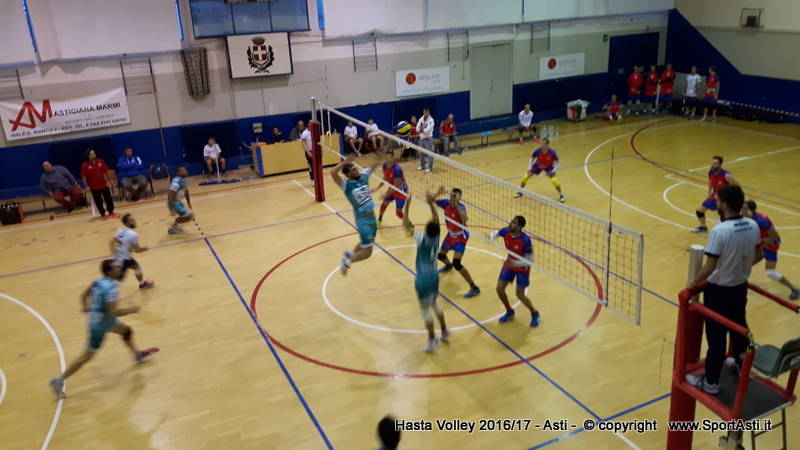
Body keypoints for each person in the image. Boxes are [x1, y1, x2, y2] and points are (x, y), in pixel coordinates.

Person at [685, 185, 761, 394]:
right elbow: (759, 255)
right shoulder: (752, 225)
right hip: (740, 287)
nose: (716, 204)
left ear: (725, 204)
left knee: (716, 337)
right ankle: (738, 363)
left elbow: (709, 266)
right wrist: (739, 268)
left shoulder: (720, 231)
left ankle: (710, 382)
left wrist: (692, 284)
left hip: (719, 291)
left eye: (718, 201)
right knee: (738, 325)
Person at [48, 259, 159, 399]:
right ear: (110, 272)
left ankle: (136, 354)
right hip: (100, 326)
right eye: (116, 267)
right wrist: (132, 309)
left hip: (103, 320)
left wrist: (86, 307)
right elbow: (114, 312)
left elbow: (83, 296)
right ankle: (58, 380)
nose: (120, 268)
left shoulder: (98, 281)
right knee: (87, 356)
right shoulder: (111, 289)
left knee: (127, 331)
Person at [402, 187, 450, 353]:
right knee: (435, 304)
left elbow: (405, 223)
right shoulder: (437, 237)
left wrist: (407, 205)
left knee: (425, 311)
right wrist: (431, 204)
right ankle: (444, 331)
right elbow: (437, 221)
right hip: (434, 276)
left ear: (426, 230)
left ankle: (432, 340)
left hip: (423, 279)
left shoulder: (421, 238)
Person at [331, 152, 383, 275]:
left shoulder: (364, 176)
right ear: (348, 175)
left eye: (356, 168)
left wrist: (382, 153)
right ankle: (346, 262)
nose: (357, 170)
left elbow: (374, 165)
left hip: (372, 219)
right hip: (363, 222)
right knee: (367, 253)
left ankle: (352, 254)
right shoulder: (346, 185)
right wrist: (345, 162)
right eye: (354, 170)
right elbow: (333, 173)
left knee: (365, 242)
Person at [742, 200, 800, 300]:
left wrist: (764, 243)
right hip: (761, 244)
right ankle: (740, 281)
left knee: (770, 272)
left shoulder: (761, 221)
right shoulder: (750, 218)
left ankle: (795, 289)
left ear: (750, 210)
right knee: (747, 262)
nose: (741, 210)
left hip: (770, 245)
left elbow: (775, 236)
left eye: (744, 208)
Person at [489, 216, 540, 326]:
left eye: (514, 222)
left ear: (520, 227)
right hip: (510, 263)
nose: (510, 223)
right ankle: (509, 311)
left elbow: (529, 261)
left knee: (520, 295)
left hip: (522, 267)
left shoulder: (525, 240)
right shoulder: (506, 231)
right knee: (499, 289)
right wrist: (491, 237)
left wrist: (514, 264)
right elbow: (496, 233)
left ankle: (534, 313)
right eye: (511, 221)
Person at [435, 188, 481, 298]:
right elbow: (430, 200)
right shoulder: (446, 203)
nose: (452, 197)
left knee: (457, 263)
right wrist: (438, 193)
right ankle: (448, 266)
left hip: (461, 236)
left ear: (460, 198)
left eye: (455, 196)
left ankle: (474, 287)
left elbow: (465, 218)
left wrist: (456, 205)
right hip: (451, 235)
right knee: (440, 255)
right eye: (452, 195)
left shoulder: (461, 207)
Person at [693, 155, 737, 233]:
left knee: (724, 216)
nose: (713, 165)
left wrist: (730, 198)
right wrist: (709, 193)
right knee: (699, 211)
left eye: (715, 163)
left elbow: (736, 187)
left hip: (724, 198)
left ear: (720, 164)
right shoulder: (710, 172)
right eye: (713, 163)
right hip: (714, 197)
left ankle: (728, 231)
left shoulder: (726, 175)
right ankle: (703, 227)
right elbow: (710, 182)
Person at [111, 213, 155, 290]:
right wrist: (144, 249)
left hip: (117, 257)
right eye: (131, 220)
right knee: (118, 280)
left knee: (136, 267)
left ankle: (142, 284)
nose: (134, 221)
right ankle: (142, 285)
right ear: (126, 223)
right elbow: (137, 250)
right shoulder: (133, 234)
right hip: (125, 259)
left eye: (133, 219)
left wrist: (114, 252)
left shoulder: (120, 230)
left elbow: (113, 241)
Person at [514, 138, 565, 203]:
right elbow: (531, 158)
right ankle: (520, 191)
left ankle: (561, 195)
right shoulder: (538, 151)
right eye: (542, 143)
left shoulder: (552, 152)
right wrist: (529, 168)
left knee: (554, 181)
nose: (543, 145)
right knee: (525, 177)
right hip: (538, 165)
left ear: (548, 144)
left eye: (544, 144)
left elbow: (557, 162)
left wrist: (553, 171)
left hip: (548, 167)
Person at [80, 149, 117, 219]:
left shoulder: (100, 161)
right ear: (88, 156)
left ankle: (111, 212)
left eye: (94, 154)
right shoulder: (85, 165)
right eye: (91, 154)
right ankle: (102, 214)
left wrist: (110, 180)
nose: (93, 155)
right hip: (94, 187)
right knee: (98, 201)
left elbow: (106, 171)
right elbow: (83, 177)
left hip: (103, 185)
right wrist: (86, 186)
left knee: (108, 199)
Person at [376, 152, 408, 229]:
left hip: (401, 190)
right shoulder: (385, 166)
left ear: (393, 158)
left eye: (390, 158)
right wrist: (378, 187)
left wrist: (385, 195)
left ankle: (408, 223)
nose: (389, 159)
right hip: (392, 187)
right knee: (384, 204)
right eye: (387, 158)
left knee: (398, 212)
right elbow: (385, 178)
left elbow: (396, 186)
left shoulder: (397, 169)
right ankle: (379, 219)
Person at [167, 166, 194, 234]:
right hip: (174, 203)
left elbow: (186, 192)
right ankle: (173, 228)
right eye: (182, 170)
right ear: (178, 173)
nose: (184, 171)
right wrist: (171, 209)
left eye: (185, 169)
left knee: (188, 215)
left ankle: (174, 228)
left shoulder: (184, 180)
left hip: (178, 202)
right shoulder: (176, 182)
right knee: (189, 215)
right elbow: (170, 195)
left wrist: (189, 203)